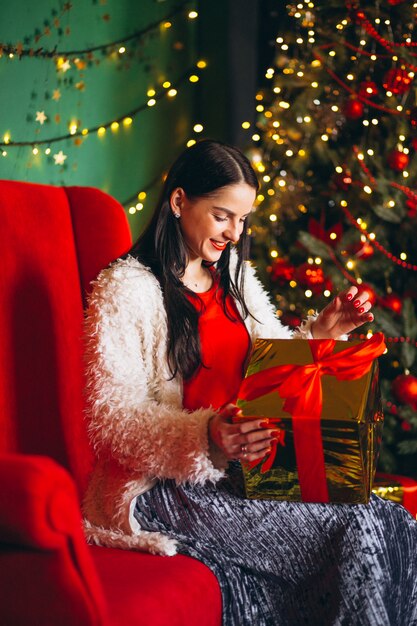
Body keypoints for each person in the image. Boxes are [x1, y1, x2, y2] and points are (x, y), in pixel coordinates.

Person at [83, 139, 417, 625]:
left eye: (242, 220)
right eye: (223, 216)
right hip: (170, 490)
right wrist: (206, 436)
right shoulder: (126, 289)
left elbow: (271, 376)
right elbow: (111, 420)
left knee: (395, 521)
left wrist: (322, 334)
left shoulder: (235, 277)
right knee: (358, 528)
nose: (234, 234)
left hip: (253, 472)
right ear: (179, 202)